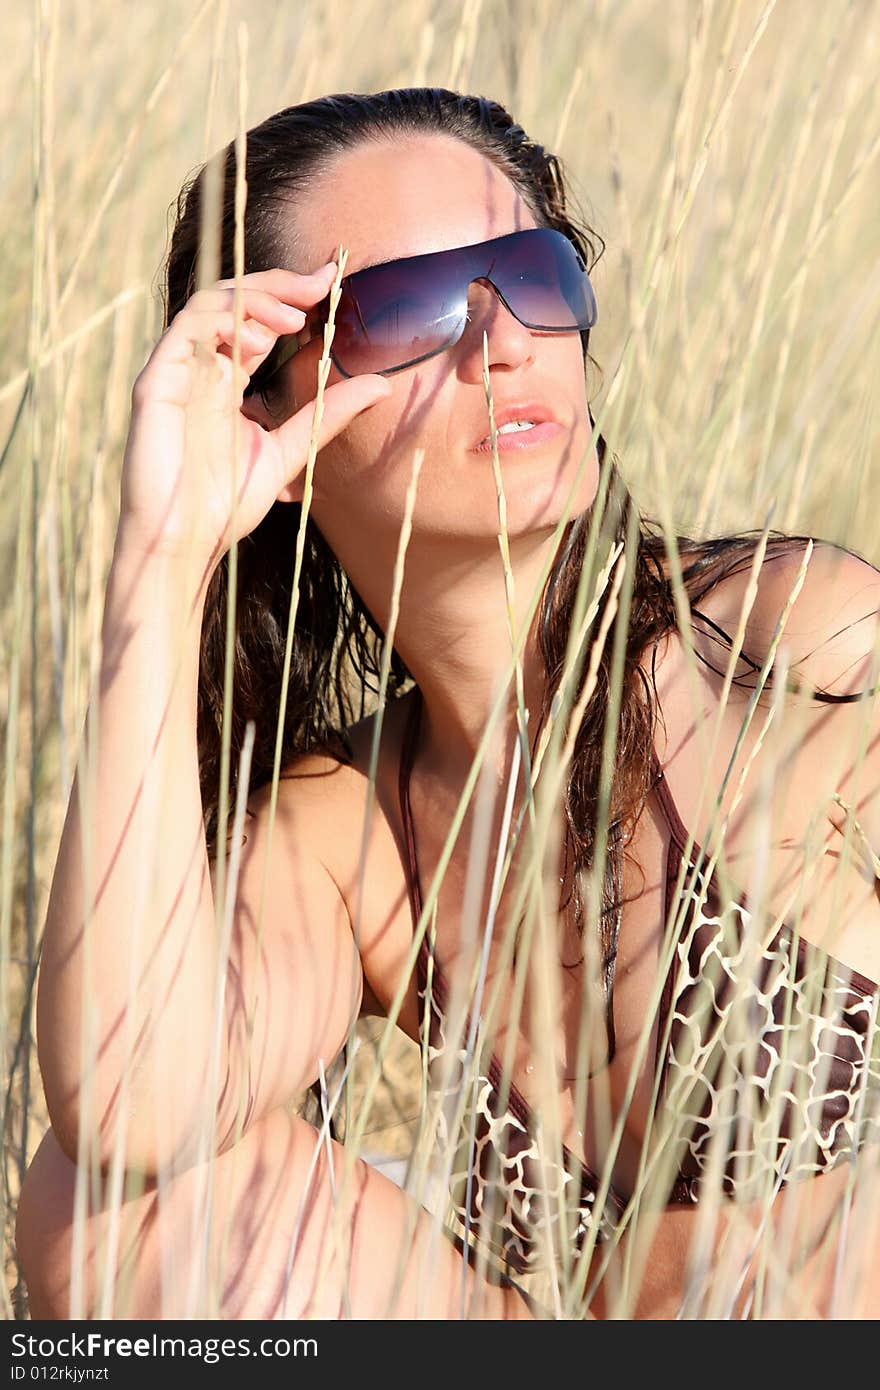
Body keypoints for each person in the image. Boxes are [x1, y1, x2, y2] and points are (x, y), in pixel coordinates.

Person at [15, 87, 880, 1321]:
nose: (504, 342)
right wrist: (163, 555)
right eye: (412, 308)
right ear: (273, 410)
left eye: (530, 272)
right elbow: (124, 1102)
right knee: (105, 1213)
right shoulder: (348, 835)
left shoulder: (788, 643)